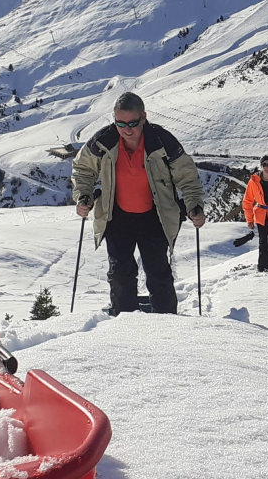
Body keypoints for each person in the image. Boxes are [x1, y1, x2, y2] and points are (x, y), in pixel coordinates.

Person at [72, 92, 205, 314]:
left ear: (144, 117)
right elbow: (83, 169)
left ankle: (168, 324)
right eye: (120, 123)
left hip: (155, 215)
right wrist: (83, 195)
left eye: (132, 122)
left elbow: (188, 178)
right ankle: (124, 327)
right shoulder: (103, 141)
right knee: (120, 274)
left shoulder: (162, 142)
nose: (126, 129)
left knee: (158, 272)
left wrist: (194, 206)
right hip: (117, 216)